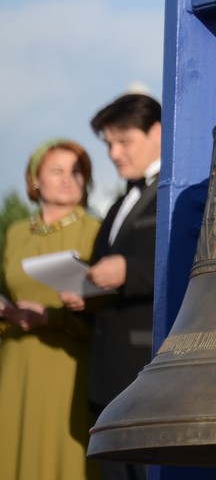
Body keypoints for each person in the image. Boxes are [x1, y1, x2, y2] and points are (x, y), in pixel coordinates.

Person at [62, 93, 161, 480]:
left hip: (149, 375)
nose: (114, 154)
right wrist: (85, 297)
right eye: (108, 145)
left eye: (124, 142)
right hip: (107, 380)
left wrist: (129, 271)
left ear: (156, 132)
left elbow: (195, 264)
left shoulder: (186, 192)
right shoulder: (117, 205)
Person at [0, 139, 104, 480]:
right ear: (34, 179)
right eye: (56, 170)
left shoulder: (95, 231)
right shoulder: (16, 234)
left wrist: (51, 317)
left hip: (69, 366)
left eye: (77, 172)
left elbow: (105, 309)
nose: (67, 179)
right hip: (16, 365)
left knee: (64, 458)